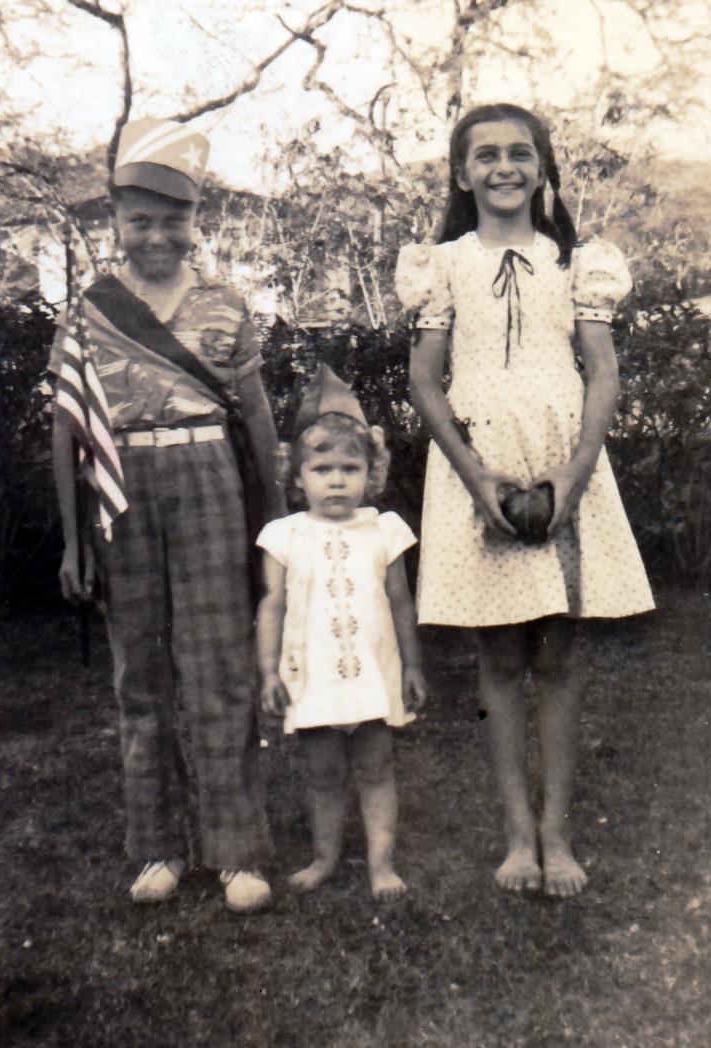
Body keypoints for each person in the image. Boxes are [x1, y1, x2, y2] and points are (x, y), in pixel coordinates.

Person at [397, 103, 654, 897]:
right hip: (481, 463)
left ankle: (558, 832)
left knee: (560, 652)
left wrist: (571, 478)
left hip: (562, 461)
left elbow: (601, 372)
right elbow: (423, 379)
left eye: (520, 154)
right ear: (459, 171)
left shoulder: (577, 261)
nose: (503, 168)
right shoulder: (443, 265)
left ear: (542, 168)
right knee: (500, 655)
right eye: (486, 155)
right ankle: (516, 836)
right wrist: (479, 480)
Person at [49, 117, 285, 911]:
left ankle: (238, 848)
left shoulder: (223, 305)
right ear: (114, 220)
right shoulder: (90, 310)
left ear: (196, 221)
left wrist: (278, 526)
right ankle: (158, 845)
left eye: (173, 218)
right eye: (139, 218)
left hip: (209, 476)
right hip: (121, 487)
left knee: (219, 664)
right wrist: (74, 536)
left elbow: (255, 417)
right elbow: (68, 426)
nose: (157, 234)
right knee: (139, 677)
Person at [256, 366, 426, 901]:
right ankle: (325, 856)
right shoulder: (284, 534)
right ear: (298, 475)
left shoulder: (384, 530)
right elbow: (273, 604)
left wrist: (414, 665)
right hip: (312, 676)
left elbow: (401, 603)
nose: (336, 480)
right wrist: (266, 672)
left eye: (349, 468)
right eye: (322, 468)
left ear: (370, 473)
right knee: (322, 771)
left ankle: (382, 864)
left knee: (376, 767)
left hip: (373, 672)